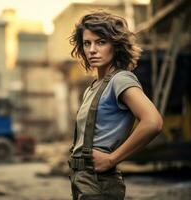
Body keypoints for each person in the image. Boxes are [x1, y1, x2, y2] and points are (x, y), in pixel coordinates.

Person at [68, 10, 163, 200]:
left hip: (99, 180)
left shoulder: (120, 80)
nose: (92, 50)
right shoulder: (93, 87)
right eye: (87, 43)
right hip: (82, 178)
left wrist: (112, 158)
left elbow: (153, 122)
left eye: (101, 42)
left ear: (116, 45)